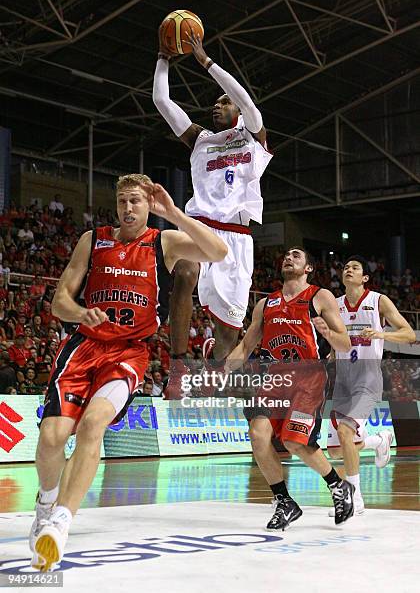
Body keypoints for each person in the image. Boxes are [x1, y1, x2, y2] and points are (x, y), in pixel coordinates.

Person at [30, 174, 227, 572]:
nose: (128, 208)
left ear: (147, 203)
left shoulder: (162, 242)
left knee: (92, 427)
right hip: (82, 348)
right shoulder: (93, 239)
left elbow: (219, 251)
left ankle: (62, 522)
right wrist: (81, 312)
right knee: (52, 437)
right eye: (122, 201)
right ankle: (46, 501)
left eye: (135, 200)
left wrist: (173, 213)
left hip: (129, 353)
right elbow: (59, 301)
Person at [153, 30, 272, 396]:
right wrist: (163, 58)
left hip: (237, 238)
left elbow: (249, 106)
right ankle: (177, 368)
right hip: (200, 227)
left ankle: (213, 385)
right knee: (186, 270)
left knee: (226, 334)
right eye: (215, 103)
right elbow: (161, 99)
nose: (216, 106)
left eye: (224, 102)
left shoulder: (253, 137)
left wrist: (205, 61)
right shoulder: (199, 139)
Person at [224, 247, 354, 529]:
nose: (288, 258)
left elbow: (345, 344)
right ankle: (284, 501)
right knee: (258, 436)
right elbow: (246, 346)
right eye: (286, 256)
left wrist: (327, 333)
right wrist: (223, 368)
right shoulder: (266, 304)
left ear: (308, 268)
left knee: (296, 441)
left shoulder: (320, 297)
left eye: (296, 255)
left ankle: (338, 486)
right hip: (275, 378)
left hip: (310, 378)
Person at [327, 255, 416, 514]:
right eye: (345, 267)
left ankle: (354, 499)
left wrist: (382, 334)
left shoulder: (378, 301)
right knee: (335, 450)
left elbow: (409, 334)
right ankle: (378, 441)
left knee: (345, 433)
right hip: (343, 380)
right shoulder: (335, 304)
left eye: (354, 268)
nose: (348, 270)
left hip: (367, 379)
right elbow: (338, 340)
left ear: (365, 277)